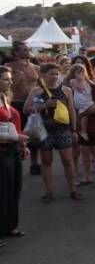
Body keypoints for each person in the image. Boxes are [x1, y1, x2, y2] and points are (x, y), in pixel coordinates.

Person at [23, 63, 82, 202]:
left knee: (68, 160)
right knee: (46, 161)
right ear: (43, 75)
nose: (54, 77)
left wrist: (74, 130)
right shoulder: (36, 91)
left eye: (56, 74)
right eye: (51, 74)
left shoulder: (66, 90)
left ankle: (73, 190)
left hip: (63, 130)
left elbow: (72, 110)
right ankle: (49, 192)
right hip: (44, 131)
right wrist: (45, 105)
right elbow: (26, 109)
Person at [0, 66, 30, 240]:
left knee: (13, 189)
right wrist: (17, 137)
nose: (10, 81)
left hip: (12, 150)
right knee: (2, 191)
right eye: (5, 79)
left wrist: (22, 145)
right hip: (2, 152)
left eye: (9, 78)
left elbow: (12, 125)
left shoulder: (5, 97)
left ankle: (9, 226)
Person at [6, 42, 40, 174]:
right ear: (16, 52)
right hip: (16, 103)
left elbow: (40, 86)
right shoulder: (9, 67)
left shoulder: (35, 67)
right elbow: (8, 88)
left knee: (33, 135)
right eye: (25, 50)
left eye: (28, 49)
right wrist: (17, 78)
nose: (28, 51)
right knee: (16, 135)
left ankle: (34, 163)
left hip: (32, 104)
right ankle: (15, 163)